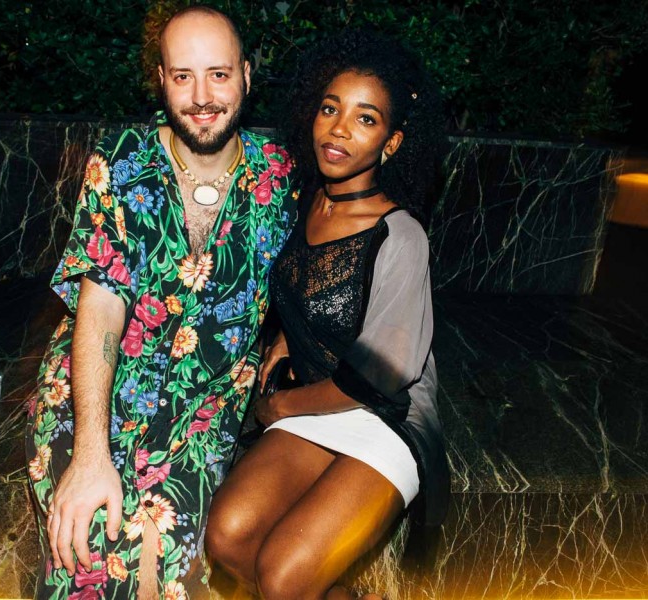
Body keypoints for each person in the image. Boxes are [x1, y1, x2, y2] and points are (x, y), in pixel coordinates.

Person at [25, 7, 298, 599]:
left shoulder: (281, 177)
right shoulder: (123, 161)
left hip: (205, 402)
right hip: (98, 384)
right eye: (183, 76)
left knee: (163, 550)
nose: (201, 98)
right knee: (88, 534)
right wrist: (91, 454)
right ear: (161, 80)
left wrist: (287, 340)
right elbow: (100, 309)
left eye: (218, 75)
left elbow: (332, 261)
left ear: (246, 75)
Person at [205, 31, 451, 599]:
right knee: (228, 537)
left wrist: (278, 406)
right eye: (330, 109)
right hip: (321, 398)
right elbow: (304, 285)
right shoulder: (307, 199)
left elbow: (378, 380)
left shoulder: (400, 235)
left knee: (283, 574)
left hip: (385, 416)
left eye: (366, 119)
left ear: (391, 143)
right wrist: (289, 338)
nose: (339, 129)